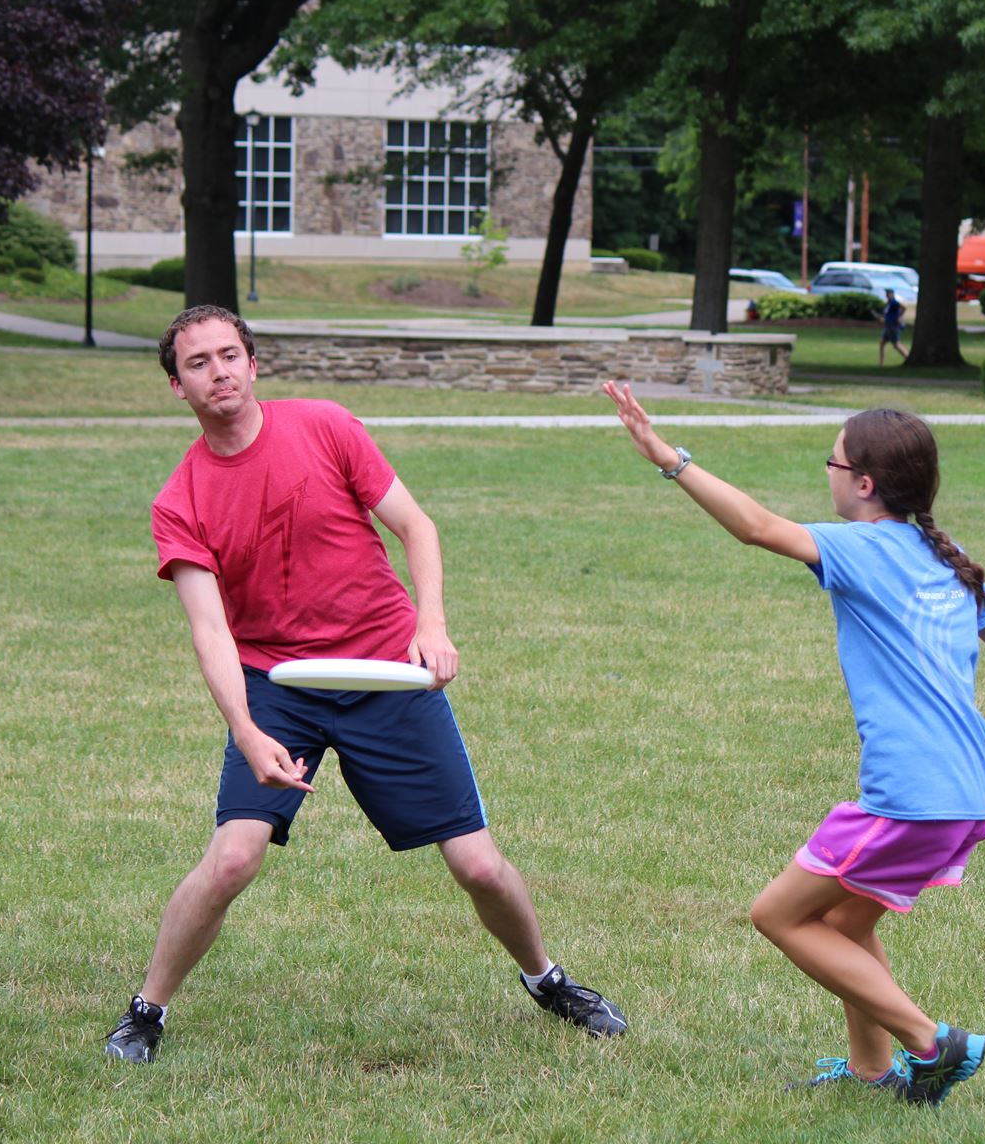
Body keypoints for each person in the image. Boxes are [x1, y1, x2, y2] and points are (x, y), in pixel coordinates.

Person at [104, 305, 626, 1063]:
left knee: (478, 865)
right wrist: (248, 731)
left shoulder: (324, 426)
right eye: (198, 363)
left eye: (229, 355)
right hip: (279, 682)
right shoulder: (179, 500)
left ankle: (547, 980)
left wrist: (432, 625)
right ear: (177, 387)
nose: (218, 372)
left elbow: (417, 526)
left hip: (385, 670)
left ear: (253, 365)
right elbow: (211, 632)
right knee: (233, 858)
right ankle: (146, 1011)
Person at [601, 384, 985, 1104]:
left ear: (865, 483)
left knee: (776, 915)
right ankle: (873, 1071)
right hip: (967, 792)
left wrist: (669, 458)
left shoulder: (859, 549)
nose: (829, 472)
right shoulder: (947, 556)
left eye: (833, 462)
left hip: (910, 797)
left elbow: (754, 527)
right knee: (843, 922)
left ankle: (932, 1043)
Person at [878, 290, 908, 366]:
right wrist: (884, 318)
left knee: (896, 345)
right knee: (882, 342)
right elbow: (888, 314)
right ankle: (881, 363)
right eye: (886, 294)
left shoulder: (894, 302)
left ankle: (908, 357)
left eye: (888, 294)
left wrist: (899, 317)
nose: (887, 295)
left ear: (892, 294)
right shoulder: (888, 303)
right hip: (887, 326)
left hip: (893, 326)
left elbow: (904, 308)